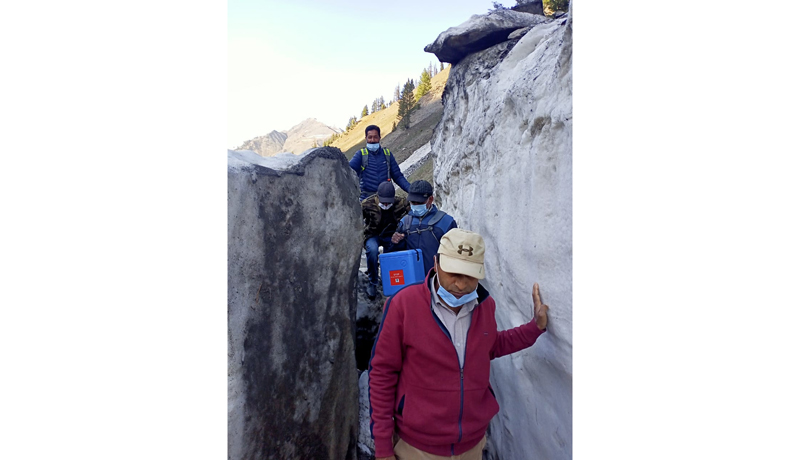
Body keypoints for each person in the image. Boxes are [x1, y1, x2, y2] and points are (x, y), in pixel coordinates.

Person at [368, 229, 549, 459]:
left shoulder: (485, 306)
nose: (461, 285)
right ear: (436, 262)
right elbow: (382, 373)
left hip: (472, 446)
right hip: (417, 448)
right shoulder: (403, 305)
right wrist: (383, 448)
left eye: (470, 276)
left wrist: (535, 327)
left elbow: (491, 345)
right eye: (453, 272)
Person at [390, 180, 457, 277]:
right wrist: (395, 242)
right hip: (412, 280)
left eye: (419, 202)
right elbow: (396, 255)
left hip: (437, 280)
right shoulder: (405, 222)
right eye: (413, 202)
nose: (416, 206)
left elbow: (455, 255)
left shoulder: (446, 222)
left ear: (430, 199)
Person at [362, 181, 410, 299]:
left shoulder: (402, 203)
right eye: (383, 201)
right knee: (372, 250)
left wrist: (402, 233)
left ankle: (391, 283)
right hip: (373, 235)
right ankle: (372, 281)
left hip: (391, 236)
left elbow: (410, 219)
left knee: (392, 258)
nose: (386, 204)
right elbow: (357, 221)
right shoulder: (367, 204)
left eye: (389, 202)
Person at [349, 125, 411, 201]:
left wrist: (411, 190)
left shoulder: (387, 154)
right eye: (370, 137)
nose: (372, 140)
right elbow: (348, 173)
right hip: (366, 200)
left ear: (379, 138)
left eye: (375, 137)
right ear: (366, 138)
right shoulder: (360, 155)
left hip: (387, 199)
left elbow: (398, 176)